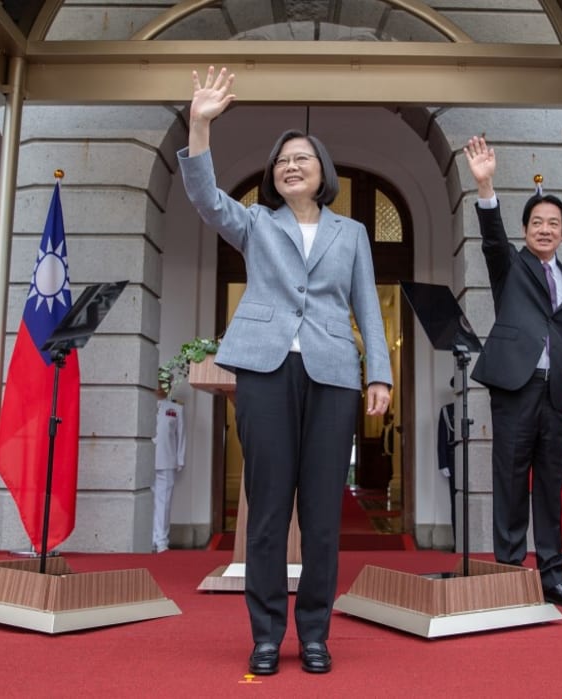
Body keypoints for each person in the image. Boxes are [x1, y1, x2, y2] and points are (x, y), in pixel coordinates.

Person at [179, 66, 393, 675]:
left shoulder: (351, 234)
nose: (289, 166)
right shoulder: (255, 223)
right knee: (269, 508)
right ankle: (267, 635)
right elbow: (204, 198)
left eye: (301, 158)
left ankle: (317, 634)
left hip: (331, 375)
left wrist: (378, 372)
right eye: (281, 162)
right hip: (265, 372)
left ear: (322, 171)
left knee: (325, 511)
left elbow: (366, 308)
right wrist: (200, 124)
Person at [463, 136, 562, 609]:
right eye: (537, 223)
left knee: (549, 486)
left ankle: (552, 577)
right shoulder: (510, 268)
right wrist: (486, 186)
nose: (545, 230)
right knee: (509, 479)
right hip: (516, 390)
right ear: (526, 230)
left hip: (558, 394)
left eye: (554, 224)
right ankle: (507, 573)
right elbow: (492, 239)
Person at [152, 386, 186, 554]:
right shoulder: (144, 404)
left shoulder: (176, 408)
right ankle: (148, 539)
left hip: (166, 460)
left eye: (164, 383)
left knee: (163, 503)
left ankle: (161, 541)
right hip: (145, 461)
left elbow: (181, 436)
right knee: (146, 503)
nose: (160, 387)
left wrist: (180, 459)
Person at [437, 399, 457, 542]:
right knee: (455, 502)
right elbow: (442, 437)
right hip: (453, 458)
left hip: (472, 456)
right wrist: (443, 463)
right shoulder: (447, 410)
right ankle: (458, 541)